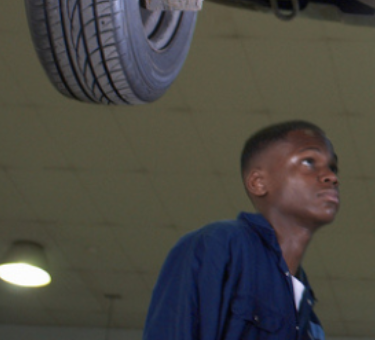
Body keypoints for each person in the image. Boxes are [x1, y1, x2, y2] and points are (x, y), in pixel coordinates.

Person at [144, 121, 340, 340]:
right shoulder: (218, 244)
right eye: (309, 162)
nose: (331, 177)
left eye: (332, 167)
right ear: (258, 182)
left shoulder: (308, 313)